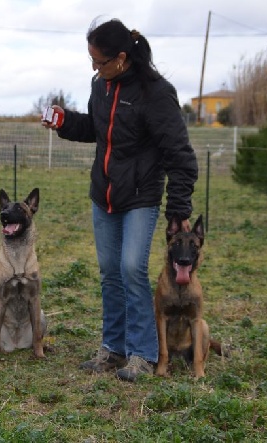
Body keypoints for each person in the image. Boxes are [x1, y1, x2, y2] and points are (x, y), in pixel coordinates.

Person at [41, 18, 198, 382]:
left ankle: (142, 353)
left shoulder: (156, 93)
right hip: (104, 194)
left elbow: (180, 156)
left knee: (131, 270)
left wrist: (178, 209)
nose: (95, 69)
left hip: (141, 196)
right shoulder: (102, 86)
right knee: (111, 273)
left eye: (100, 62)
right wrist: (64, 122)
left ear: (122, 57)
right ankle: (113, 348)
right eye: (92, 62)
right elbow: (96, 130)